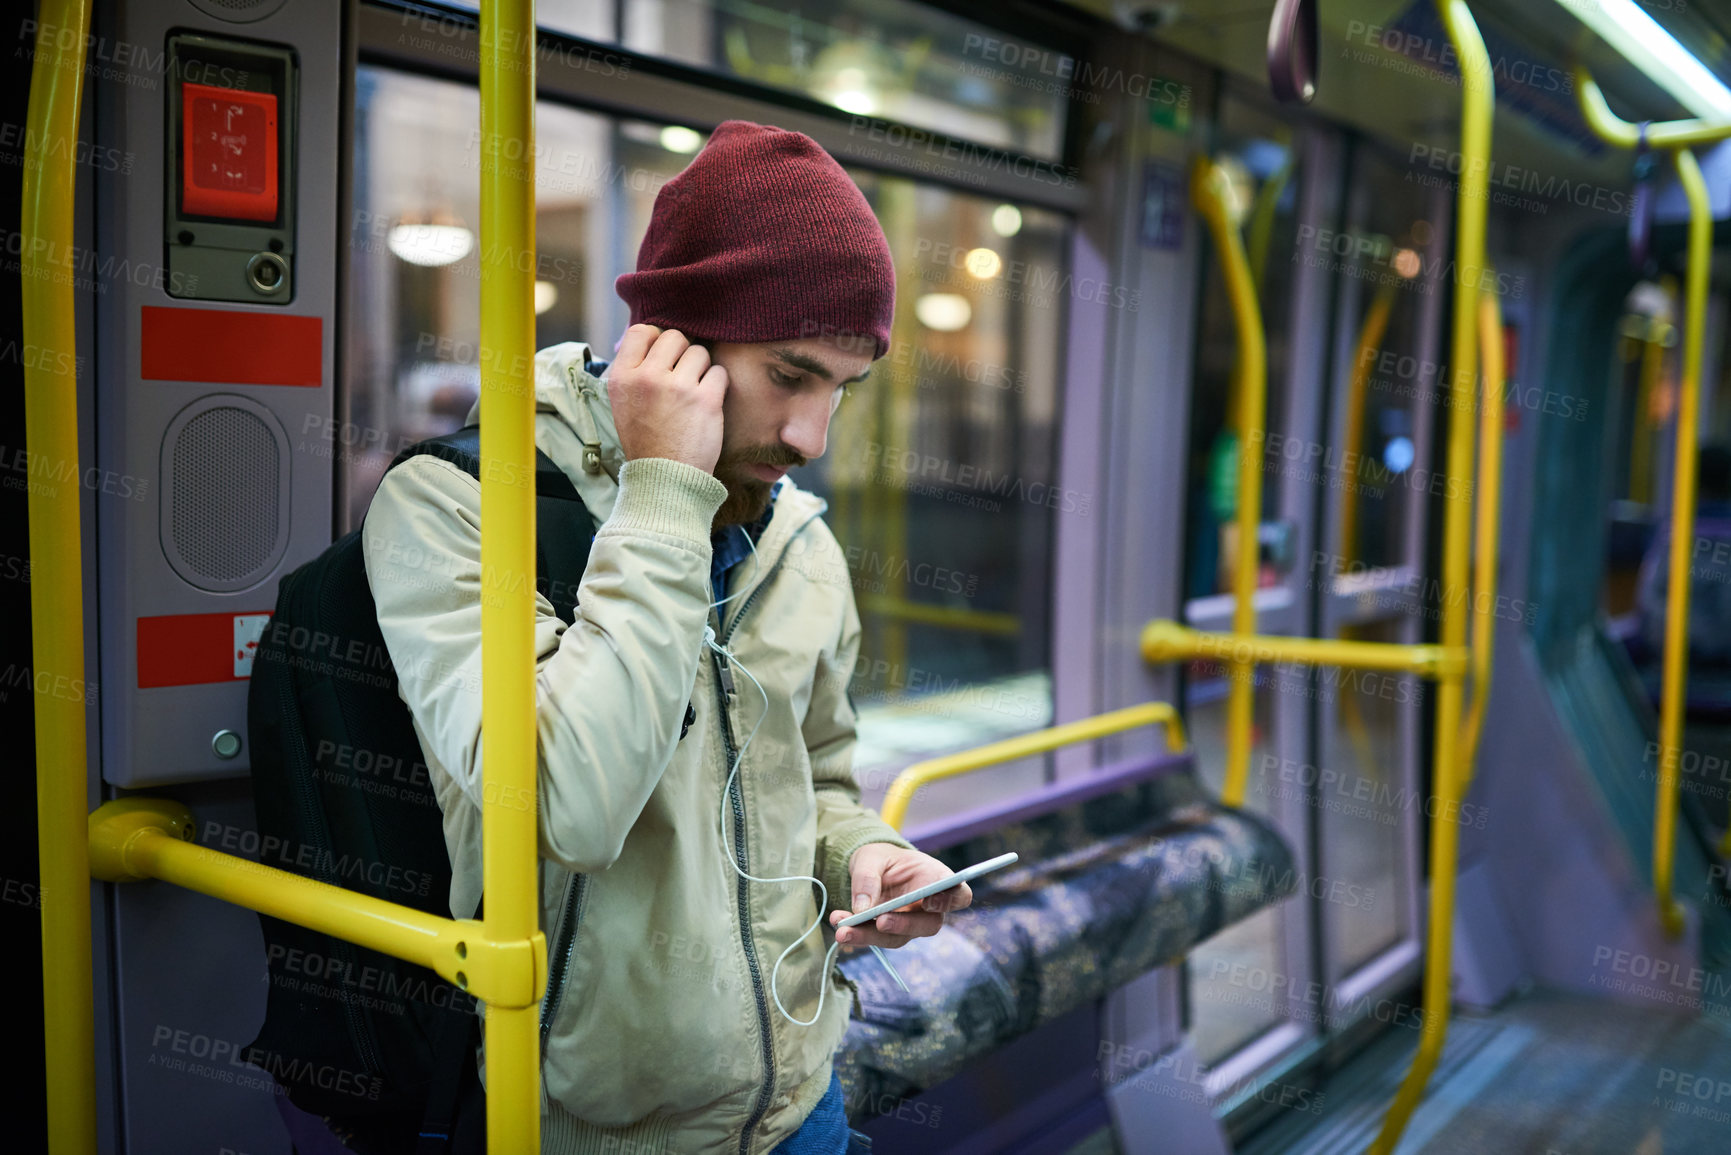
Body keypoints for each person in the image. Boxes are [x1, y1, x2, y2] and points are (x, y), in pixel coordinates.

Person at [361, 120, 970, 1154]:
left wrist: (866, 854)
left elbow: (810, 778)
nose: (812, 439)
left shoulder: (800, 543)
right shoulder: (458, 505)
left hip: (798, 1102)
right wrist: (663, 499)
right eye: (790, 375)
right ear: (673, 345)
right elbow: (570, 807)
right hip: (586, 1126)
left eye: (841, 389)